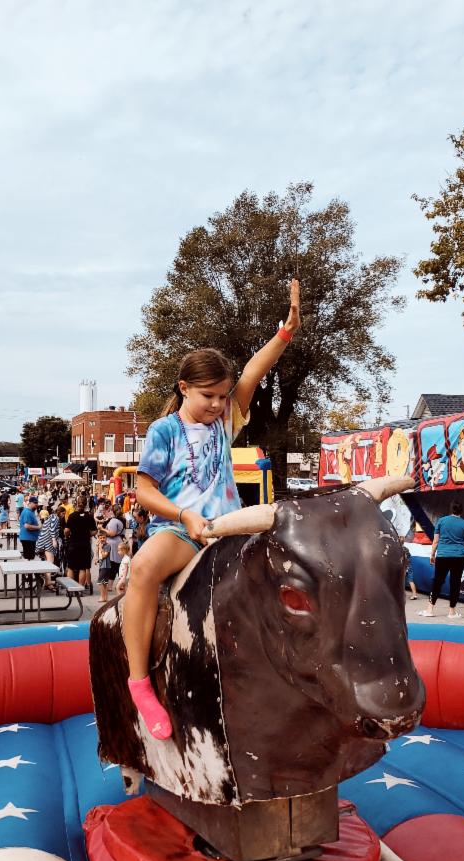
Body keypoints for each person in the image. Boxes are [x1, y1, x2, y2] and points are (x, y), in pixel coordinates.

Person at [123, 278, 301, 739]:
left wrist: (284, 334)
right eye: (209, 396)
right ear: (185, 388)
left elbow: (253, 373)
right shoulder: (164, 431)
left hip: (229, 527)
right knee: (143, 569)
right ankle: (139, 683)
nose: (220, 404)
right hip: (181, 532)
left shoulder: (226, 420)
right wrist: (183, 515)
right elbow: (143, 491)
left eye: (224, 396)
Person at [419, 501, 464, 619]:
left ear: (451, 509)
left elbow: (435, 541)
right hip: (459, 557)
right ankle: (452, 612)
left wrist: (432, 554)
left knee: (437, 581)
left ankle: (429, 610)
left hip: (443, 556)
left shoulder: (441, 521)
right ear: (461, 511)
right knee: (455, 583)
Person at [97, 510, 124, 604]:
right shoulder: (118, 521)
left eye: (106, 512)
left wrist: (102, 529)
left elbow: (112, 533)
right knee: (115, 564)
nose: (104, 514)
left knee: (113, 565)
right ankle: (105, 595)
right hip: (116, 543)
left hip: (113, 545)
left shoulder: (113, 521)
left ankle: (105, 594)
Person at [35, 503, 64, 589]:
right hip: (48, 542)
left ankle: (48, 582)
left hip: (42, 541)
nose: (63, 515)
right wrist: (54, 540)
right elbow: (52, 529)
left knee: (47, 562)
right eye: (63, 513)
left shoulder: (51, 517)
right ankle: (48, 582)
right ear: (60, 512)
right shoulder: (56, 518)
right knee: (50, 562)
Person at [18, 495, 41, 560]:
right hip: (28, 539)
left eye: (37, 503)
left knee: (30, 558)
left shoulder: (31, 511)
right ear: (30, 503)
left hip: (30, 538)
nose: (36, 504)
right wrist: (38, 527)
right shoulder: (27, 512)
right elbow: (27, 526)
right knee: (29, 559)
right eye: (35, 503)